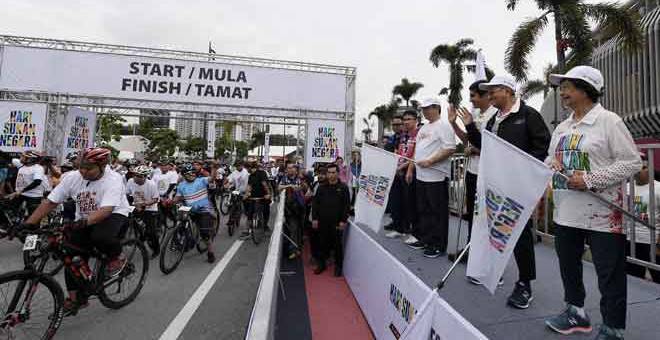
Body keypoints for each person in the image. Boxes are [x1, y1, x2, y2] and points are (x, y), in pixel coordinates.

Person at [542, 66, 642, 339]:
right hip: (566, 212)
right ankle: (576, 312)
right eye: (562, 87)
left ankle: (613, 328)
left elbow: (632, 162)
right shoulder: (562, 127)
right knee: (568, 266)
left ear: (587, 90)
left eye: (568, 87)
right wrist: (550, 168)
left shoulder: (609, 121)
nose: (562, 92)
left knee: (609, 274)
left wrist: (590, 178)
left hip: (603, 213)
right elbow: (551, 158)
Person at [461, 74, 551, 309]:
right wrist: (470, 126)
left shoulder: (529, 115)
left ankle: (524, 284)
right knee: (494, 231)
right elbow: (485, 147)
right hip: (496, 187)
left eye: (494, 90)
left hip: (519, 188)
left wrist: (522, 169)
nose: (489, 94)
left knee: (520, 236)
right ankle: (492, 271)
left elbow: (542, 147)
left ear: (509, 91)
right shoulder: (493, 121)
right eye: (488, 91)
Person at [23, 148, 131, 316]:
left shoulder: (114, 179)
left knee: (100, 236)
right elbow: (51, 201)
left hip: (113, 212)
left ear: (102, 166)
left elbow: (106, 210)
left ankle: (117, 257)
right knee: (69, 253)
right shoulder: (73, 177)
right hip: (84, 216)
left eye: (89, 168)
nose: (83, 171)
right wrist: (28, 223)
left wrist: (81, 223)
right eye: (81, 166)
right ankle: (76, 299)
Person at [448, 80, 498, 245]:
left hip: (488, 173)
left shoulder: (495, 116)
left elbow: (493, 146)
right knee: (471, 212)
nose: (470, 100)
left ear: (486, 95)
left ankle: (485, 251)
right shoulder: (475, 115)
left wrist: (476, 150)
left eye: (473, 96)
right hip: (472, 170)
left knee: (486, 214)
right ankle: (471, 246)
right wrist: (454, 123)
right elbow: (468, 140)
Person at [407, 98, 456, 259]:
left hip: (436, 176)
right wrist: (411, 168)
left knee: (438, 212)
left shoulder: (444, 125)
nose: (425, 111)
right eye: (423, 108)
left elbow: (449, 148)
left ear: (437, 108)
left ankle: (438, 244)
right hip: (421, 176)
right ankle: (426, 239)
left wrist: (430, 161)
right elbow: (417, 149)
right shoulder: (424, 128)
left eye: (428, 108)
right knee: (424, 210)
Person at [165, 163, 216, 263]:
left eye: (193, 173)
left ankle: (210, 252)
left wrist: (214, 168)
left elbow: (211, 179)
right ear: (184, 175)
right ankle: (182, 241)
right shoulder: (181, 185)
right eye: (188, 174)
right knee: (179, 222)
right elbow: (177, 198)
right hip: (189, 209)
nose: (191, 175)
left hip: (203, 209)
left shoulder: (201, 180)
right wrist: (170, 201)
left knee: (205, 234)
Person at [311, 163, 350, 276]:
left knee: (337, 246)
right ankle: (321, 265)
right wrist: (314, 219)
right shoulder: (321, 187)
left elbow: (346, 206)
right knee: (322, 244)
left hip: (337, 222)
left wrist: (343, 220)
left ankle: (338, 268)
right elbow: (315, 204)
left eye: (333, 172)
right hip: (323, 222)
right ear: (326, 174)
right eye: (329, 173)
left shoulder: (343, 188)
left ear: (338, 173)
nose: (331, 175)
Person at [627, 153, 660, 283]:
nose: (640, 171)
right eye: (638, 168)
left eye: (644, 168)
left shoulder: (658, 188)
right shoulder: (627, 187)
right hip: (630, 239)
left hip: (652, 241)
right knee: (633, 280)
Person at [387, 110, 419, 245]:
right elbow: (399, 153)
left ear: (416, 120)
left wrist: (403, 168)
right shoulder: (402, 136)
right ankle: (399, 228)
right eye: (404, 119)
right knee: (398, 200)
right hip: (399, 171)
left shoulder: (419, 133)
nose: (406, 122)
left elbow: (414, 155)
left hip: (411, 171)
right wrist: (397, 167)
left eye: (409, 119)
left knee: (411, 203)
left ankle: (413, 231)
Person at [126, 165, 160, 258]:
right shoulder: (130, 181)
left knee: (151, 232)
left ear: (145, 177)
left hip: (150, 208)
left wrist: (144, 204)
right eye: (135, 175)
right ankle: (137, 236)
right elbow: (127, 194)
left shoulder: (151, 184)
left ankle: (156, 249)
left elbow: (155, 199)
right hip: (136, 206)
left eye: (140, 176)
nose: (136, 178)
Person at [9, 150, 47, 216]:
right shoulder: (22, 165)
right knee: (11, 212)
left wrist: (21, 191)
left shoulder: (38, 168)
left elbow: (37, 182)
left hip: (33, 196)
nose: (20, 158)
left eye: (23, 156)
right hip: (20, 194)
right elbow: (11, 159)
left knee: (32, 216)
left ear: (30, 159)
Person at [279, 162, 304, 259]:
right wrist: (289, 186)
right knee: (290, 229)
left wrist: (298, 189)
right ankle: (293, 249)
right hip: (287, 208)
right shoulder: (284, 178)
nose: (290, 170)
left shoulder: (300, 178)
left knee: (297, 229)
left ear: (295, 169)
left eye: (292, 168)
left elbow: (304, 189)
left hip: (299, 208)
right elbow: (279, 187)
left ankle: (296, 249)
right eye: (288, 168)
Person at [244, 160, 272, 235]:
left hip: (263, 195)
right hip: (254, 196)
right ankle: (248, 229)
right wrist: (246, 195)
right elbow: (249, 187)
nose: (247, 171)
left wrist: (268, 194)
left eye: (248, 169)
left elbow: (264, 184)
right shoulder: (250, 176)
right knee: (250, 211)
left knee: (266, 210)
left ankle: (265, 226)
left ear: (251, 168)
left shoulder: (261, 173)